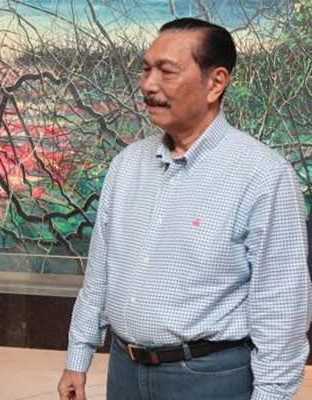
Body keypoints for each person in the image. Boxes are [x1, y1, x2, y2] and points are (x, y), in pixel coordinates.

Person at [57, 18, 312, 400]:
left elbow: (281, 309)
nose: (148, 85)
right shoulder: (126, 165)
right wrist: (77, 357)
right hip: (125, 370)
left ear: (216, 82)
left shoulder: (263, 175)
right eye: (146, 69)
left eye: (167, 71)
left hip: (210, 378)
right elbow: (100, 275)